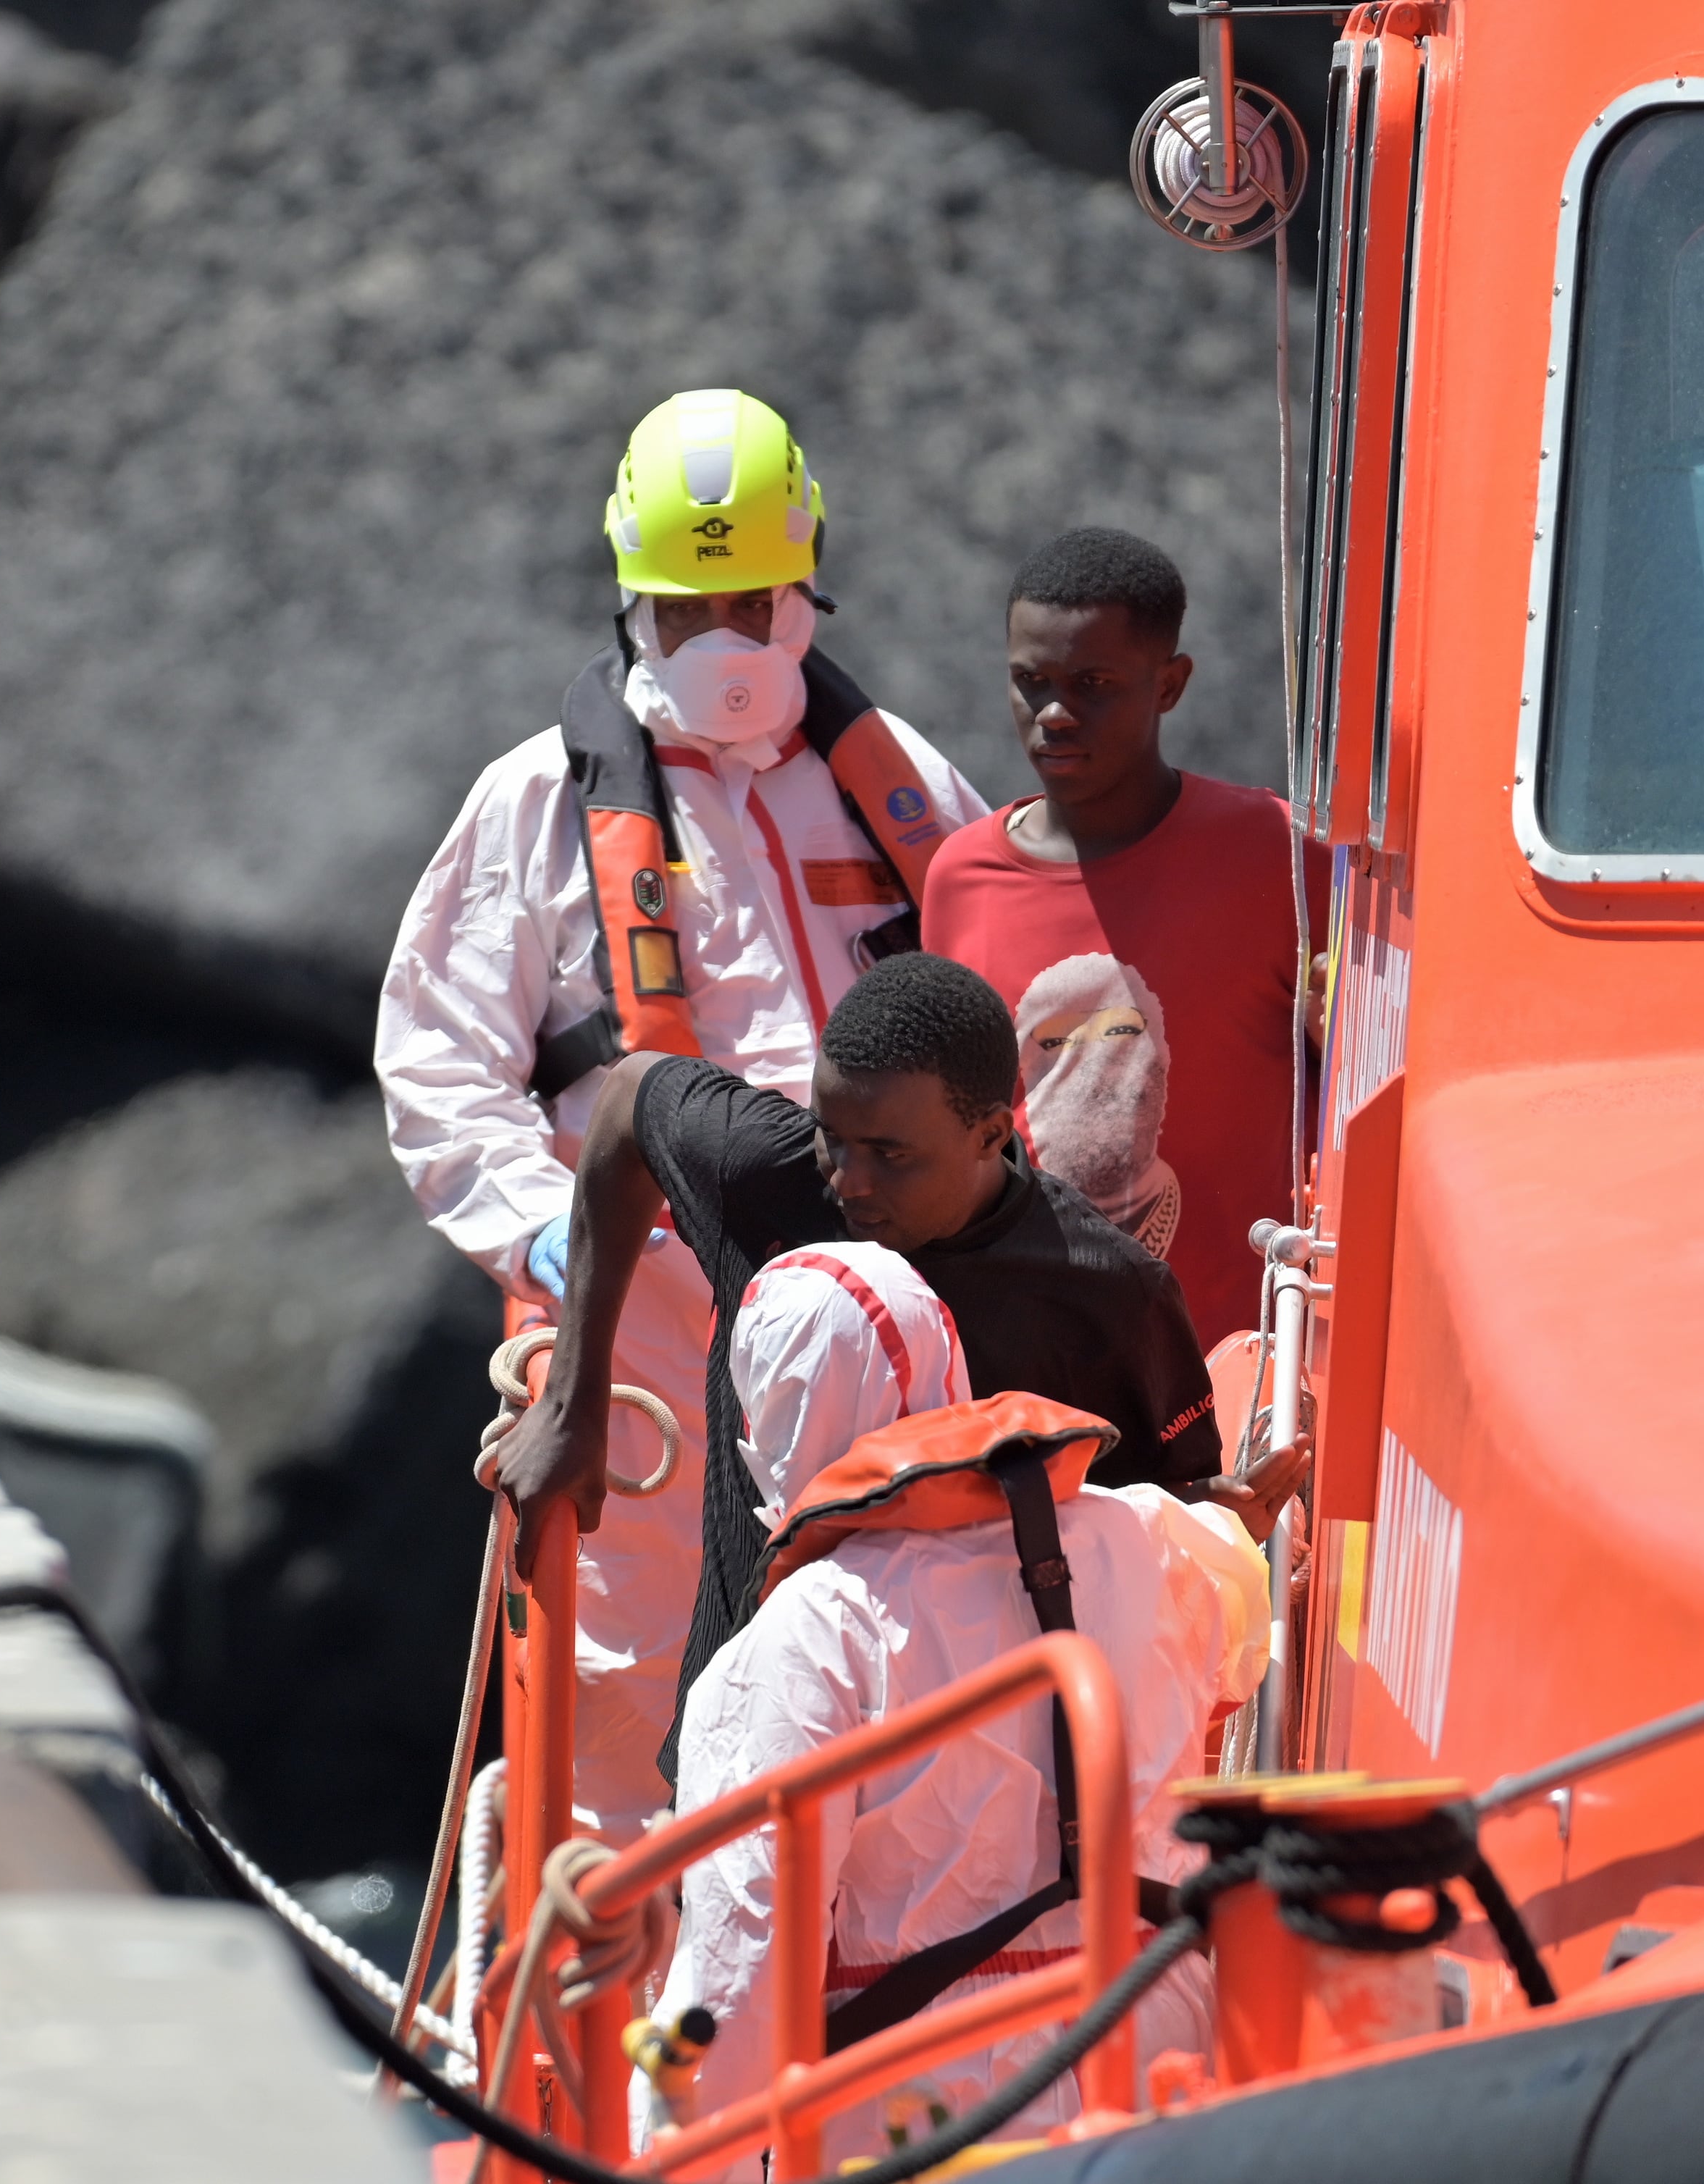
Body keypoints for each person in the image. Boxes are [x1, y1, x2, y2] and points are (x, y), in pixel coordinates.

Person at [378, 388, 989, 1841]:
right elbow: (436, 1063)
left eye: (746, 596)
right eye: (683, 603)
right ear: (630, 601)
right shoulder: (533, 804)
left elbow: (994, 994)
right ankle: (618, 2030)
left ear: (804, 583)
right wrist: (553, 1254)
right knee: (623, 1710)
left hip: (884, 1331)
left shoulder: (895, 781)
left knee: (902, 1667)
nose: (720, 635)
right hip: (641, 1347)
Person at [486, 951, 1301, 1792]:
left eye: (890, 1154)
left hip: (977, 1799)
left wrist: (1214, 1519)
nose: (847, 1182)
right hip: (747, 1754)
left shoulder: (1104, 1294)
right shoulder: (772, 1178)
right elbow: (629, 1096)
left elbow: (1164, 1510)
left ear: (991, 1131)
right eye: (830, 1137)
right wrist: (574, 1397)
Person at [652, 1253, 1269, 2173]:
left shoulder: (804, 1640)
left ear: (765, 1430)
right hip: (1163, 2062)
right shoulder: (1147, 1534)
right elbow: (1237, 1645)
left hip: (926, 2112)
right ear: (951, 1362)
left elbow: (737, 1982)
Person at [920, 528, 1327, 1347]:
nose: (1054, 714)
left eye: (1092, 684)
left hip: (1256, 1373)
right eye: (1029, 683)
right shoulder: (959, 877)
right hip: (1044, 1370)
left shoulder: (1280, 857)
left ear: (1169, 684)